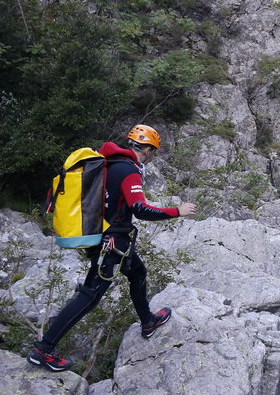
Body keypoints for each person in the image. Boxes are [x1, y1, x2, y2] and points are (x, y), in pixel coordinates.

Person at [27, 124, 197, 372]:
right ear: (147, 149)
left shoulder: (107, 163)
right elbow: (141, 209)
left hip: (105, 236)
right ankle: (44, 349)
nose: (152, 156)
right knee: (89, 296)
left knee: (137, 272)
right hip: (112, 243)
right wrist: (177, 211)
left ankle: (147, 321)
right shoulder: (129, 171)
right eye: (153, 151)